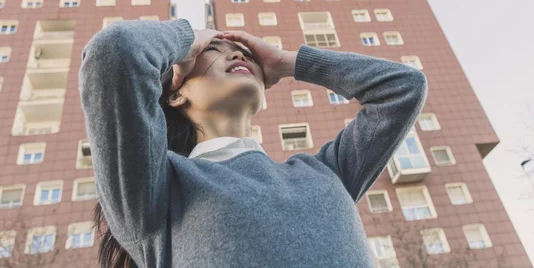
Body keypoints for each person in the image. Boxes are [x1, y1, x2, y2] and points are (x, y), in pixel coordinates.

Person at [79, 18, 427, 268]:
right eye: (214, 50)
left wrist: (290, 62)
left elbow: (402, 89)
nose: (239, 55)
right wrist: (191, 37)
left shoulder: (327, 173)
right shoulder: (158, 190)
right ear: (174, 94)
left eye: (247, 53)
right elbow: (114, 51)